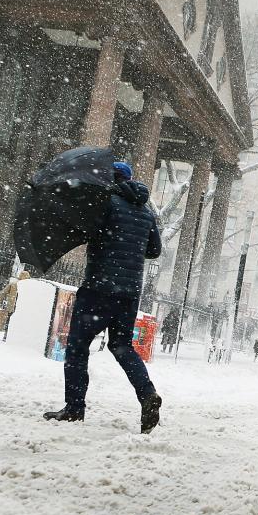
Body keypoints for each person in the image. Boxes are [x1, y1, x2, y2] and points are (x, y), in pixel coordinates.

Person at [44, 161, 164, 433]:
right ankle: (147, 394)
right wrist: (130, 246)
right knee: (122, 346)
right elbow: (154, 250)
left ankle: (75, 408)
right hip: (130, 292)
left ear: (111, 180)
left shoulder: (105, 203)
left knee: (77, 346)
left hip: (99, 287)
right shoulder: (145, 212)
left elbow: (87, 231)